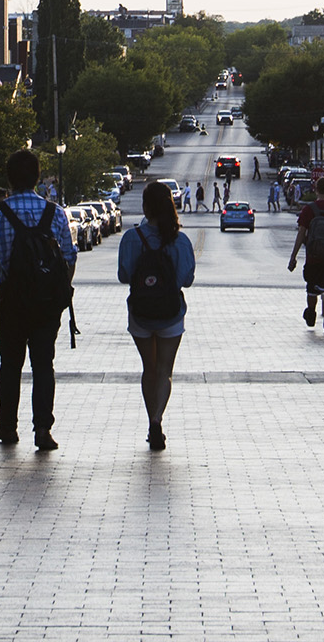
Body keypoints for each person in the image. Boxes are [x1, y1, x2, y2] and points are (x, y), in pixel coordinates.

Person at [0, 150, 78, 451]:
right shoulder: (55, 212)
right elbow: (69, 257)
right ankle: (43, 429)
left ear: (9, 177)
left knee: (10, 365)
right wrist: (60, 288)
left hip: (12, 301)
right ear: (37, 177)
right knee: (43, 365)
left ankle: (7, 426)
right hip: (46, 303)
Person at [114, 181, 195, 451]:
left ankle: (151, 420)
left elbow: (124, 275)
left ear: (145, 206)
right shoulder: (180, 240)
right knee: (165, 370)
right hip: (171, 314)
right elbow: (186, 279)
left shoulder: (131, 238)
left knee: (148, 368)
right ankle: (158, 420)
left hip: (141, 313)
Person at [288, 192, 324, 333]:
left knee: (312, 289)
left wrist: (293, 256)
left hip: (313, 256)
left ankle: (312, 314)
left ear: (316, 190)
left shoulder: (309, 209)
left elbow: (301, 233)